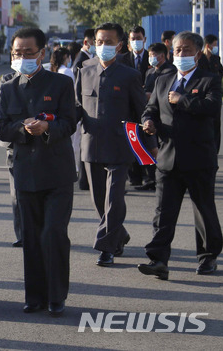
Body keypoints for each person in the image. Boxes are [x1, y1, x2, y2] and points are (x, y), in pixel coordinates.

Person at [0, 28, 76, 317]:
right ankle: (35, 297)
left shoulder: (62, 83)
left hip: (57, 173)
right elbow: (2, 127)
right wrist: (23, 129)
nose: (23, 58)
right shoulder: (7, 88)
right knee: (30, 237)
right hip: (25, 174)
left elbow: (69, 122)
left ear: (42, 53)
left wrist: (48, 128)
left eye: (29, 53)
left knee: (53, 233)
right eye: (17, 53)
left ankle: (57, 297)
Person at [138, 31, 223, 280]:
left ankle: (208, 258)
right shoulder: (163, 80)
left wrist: (182, 99)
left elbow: (212, 107)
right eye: (177, 50)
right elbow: (150, 109)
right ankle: (158, 259)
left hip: (199, 158)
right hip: (167, 157)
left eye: (186, 50)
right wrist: (148, 122)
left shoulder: (209, 80)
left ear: (197, 54)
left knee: (204, 210)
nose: (181, 54)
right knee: (163, 212)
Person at [76, 22, 149, 267]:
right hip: (91, 145)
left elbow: (141, 112)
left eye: (108, 42)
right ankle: (119, 235)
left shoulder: (129, 75)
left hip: (120, 146)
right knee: (99, 200)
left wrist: (149, 144)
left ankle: (106, 248)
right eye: (99, 41)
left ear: (119, 46)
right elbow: (76, 107)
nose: (103, 46)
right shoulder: (84, 69)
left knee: (114, 199)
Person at [135, 43, 176, 192]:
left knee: (158, 148)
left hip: (163, 117)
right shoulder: (150, 72)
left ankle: (164, 176)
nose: (151, 58)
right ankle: (152, 178)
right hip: (150, 114)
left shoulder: (171, 72)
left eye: (154, 55)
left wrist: (153, 96)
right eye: (150, 55)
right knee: (149, 147)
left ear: (162, 56)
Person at [0, 41, 23, 248]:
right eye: (16, 55)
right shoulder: (6, 80)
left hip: (42, 146)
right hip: (15, 146)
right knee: (17, 195)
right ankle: (22, 234)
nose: (20, 59)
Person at [120, 26, 151, 187]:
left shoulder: (151, 58)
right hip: (128, 107)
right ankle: (134, 177)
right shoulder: (122, 59)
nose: (136, 42)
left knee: (148, 140)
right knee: (131, 140)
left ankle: (149, 175)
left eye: (139, 38)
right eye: (133, 39)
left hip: (148, 106)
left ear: (144, 39)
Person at [72, 28, 96, 191]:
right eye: (96, 43)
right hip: (85, 108)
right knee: (83, 147)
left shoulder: (87, 58)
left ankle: (84, 180)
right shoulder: (82, 61)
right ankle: (84, 180)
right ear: (87, 42)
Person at [50, 47, 80, 179]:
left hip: (55, 111)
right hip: (69, 108)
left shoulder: (53, 72)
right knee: (74, 141)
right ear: (65, 57)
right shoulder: (67, 72)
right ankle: (75, 167)